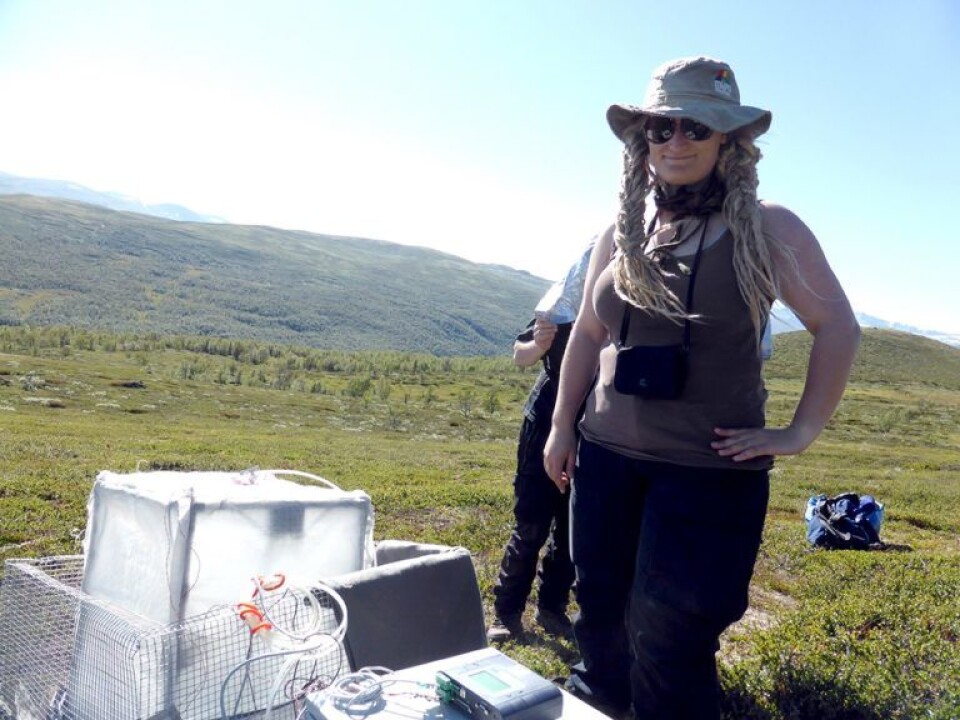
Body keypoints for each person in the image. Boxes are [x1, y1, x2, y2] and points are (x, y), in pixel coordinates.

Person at [543, 56, 860, 720]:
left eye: (696, 127)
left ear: (728, 139)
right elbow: (588, 337)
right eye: (662, 128)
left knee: (671, 636)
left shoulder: (768, 228)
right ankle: (601, 702)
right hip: (605, 458)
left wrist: (798, 432)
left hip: (705, 474)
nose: (677, 142)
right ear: (644, 140)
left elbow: (836, 327)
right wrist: (560, 425)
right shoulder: (625, 231)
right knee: (600, 606)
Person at [487, 242, 593, 643]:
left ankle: (551, 608)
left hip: (594, 428)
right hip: (544, 420)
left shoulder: (619, 306)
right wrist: (541, 345)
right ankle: (506, 612)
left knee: (571, 527)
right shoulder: (560, 305)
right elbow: (520, 355)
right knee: (531, 521)